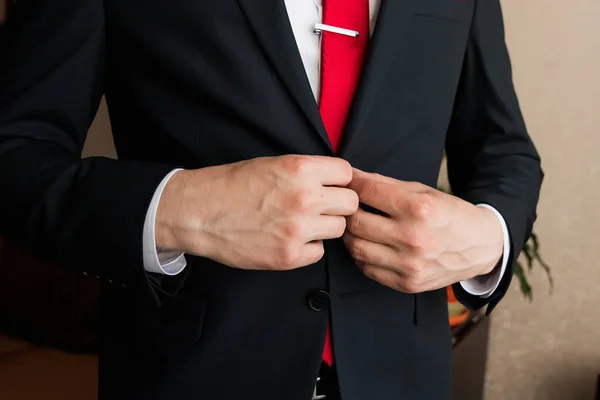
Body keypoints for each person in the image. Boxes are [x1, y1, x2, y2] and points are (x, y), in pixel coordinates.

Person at [0, 0, 543, 399]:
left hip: (404, 375)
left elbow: (505, 148)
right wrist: (182, 209)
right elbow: (14, 153)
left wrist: (489, 235)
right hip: (191, 372)